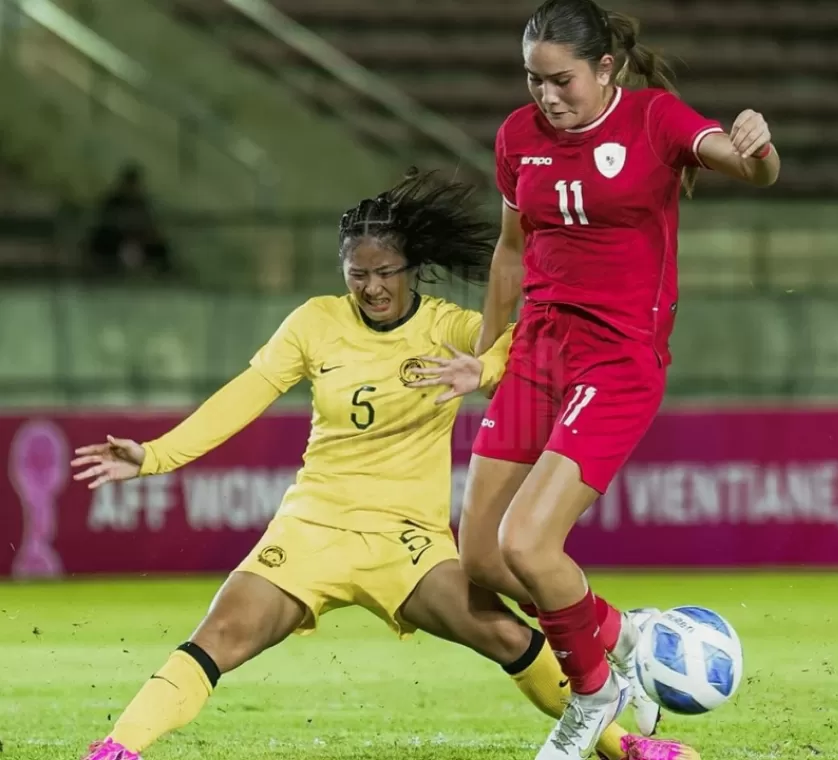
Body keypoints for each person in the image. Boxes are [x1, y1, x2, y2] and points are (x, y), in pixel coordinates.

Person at [71, 170, 698, 760]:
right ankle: (117, 749)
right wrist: (154, 456)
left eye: (385, 272)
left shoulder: (449, 327)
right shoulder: (315, 323)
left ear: (413, 270)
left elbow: (523, 342)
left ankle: (628, 746)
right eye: (357, 274)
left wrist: (482, 366)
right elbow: (245, 393)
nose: (371, 287)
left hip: (410, 544)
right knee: (221, 636)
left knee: (506, 636)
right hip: (315, 527)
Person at [428, 2, 781, 759]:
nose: (546, 97)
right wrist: (490, 359)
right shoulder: (518, 138)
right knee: (482, 556)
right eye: (533, 81)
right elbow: (511, 255)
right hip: (537, 354)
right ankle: (628, 635)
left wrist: (759, 148)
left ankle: (592, 694)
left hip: (617, 361)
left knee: (529, 543)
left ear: (606, 69)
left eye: (562, 81)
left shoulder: (654, 120)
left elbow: (749, 168)